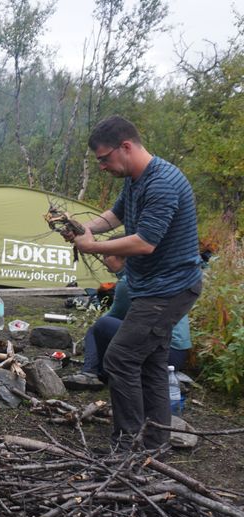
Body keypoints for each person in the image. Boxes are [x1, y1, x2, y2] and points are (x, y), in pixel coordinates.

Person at [65, 115, 202, 451]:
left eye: (103, 159)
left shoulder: (162, 182)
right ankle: (155, 447)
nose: (101, 166)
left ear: (125, 147)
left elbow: (145, 243)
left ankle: (126, 448)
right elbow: (115, 215)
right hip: (152, 287)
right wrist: (86, 228)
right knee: (152, 364)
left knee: (120, 358)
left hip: (170, 289)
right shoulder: (135, 179)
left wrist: (92, 246)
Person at [65, 266, 192, 390]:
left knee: (100, 326)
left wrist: (90, 342)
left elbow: (113, 316)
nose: (104, 261)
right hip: (177, 355)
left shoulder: (130, 281)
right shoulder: (161, 275)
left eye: (108, 255)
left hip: (163, 352)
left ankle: (91, 373)